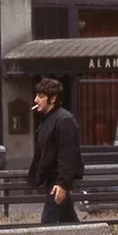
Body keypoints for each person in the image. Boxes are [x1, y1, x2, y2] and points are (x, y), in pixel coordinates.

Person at [29, 78, 84, 224]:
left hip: (56, 182)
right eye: (36, 96)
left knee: (47, 224)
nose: (36, 100)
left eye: (41, 97)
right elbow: (43, 152)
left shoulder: (64, 120)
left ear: (52, 99)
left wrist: (63, 183)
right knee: (69, 223)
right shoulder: (47, 120)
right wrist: (35, 177)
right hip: (51, 181)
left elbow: (67, 154)